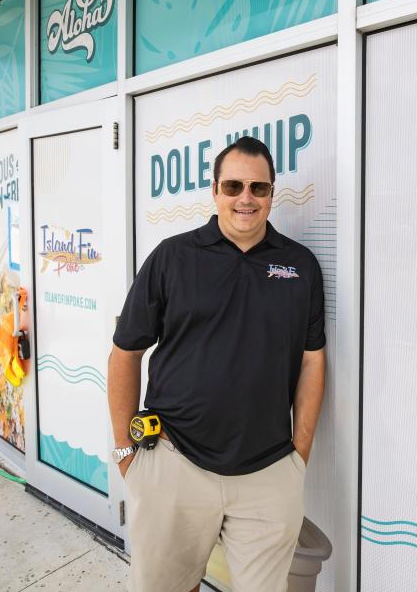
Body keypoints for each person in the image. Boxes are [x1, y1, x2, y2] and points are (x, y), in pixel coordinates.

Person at [107, 136, 326, 592]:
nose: (246, 198)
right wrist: (126, 452)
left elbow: (312, 362)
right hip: (175, 464)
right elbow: (125, 353)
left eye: (258, 188)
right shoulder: (173, 256)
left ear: (271, 193)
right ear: (215, 191)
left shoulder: (299, 266)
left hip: (268, 474)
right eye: (234, 186)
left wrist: (298, 459)